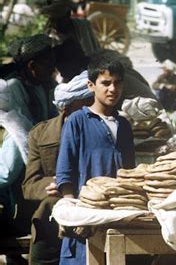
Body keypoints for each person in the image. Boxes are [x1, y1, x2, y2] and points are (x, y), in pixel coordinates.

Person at [55, 57, 135, 264]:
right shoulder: (78, 121)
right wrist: (73, 213)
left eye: (117, 83)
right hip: (86, 214)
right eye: (105, 83)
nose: (112, 89)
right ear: (91, 86)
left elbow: (129, 172)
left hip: (116, 213)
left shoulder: (124, 125)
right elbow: (65, 172)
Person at [22, 71, 94, 265]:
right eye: (86, 103)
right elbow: (30, 185)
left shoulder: (101, 128)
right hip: (52, 220)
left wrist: (72, 186)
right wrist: (57, 184)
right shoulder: (41, 134)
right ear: (68, 107)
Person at [0, 34, 57, 238]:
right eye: (48, 64)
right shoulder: (12, 87)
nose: (53, 68)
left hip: (33, 138)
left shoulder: (43, 85)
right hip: (14, 135)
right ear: (32, 66)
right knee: (7, 170)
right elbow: (19, 128)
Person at [53, 37, 156, 107]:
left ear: (73, 61)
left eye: (63, 68)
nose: (62, 74)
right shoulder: (97, 68)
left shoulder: (98, 75)